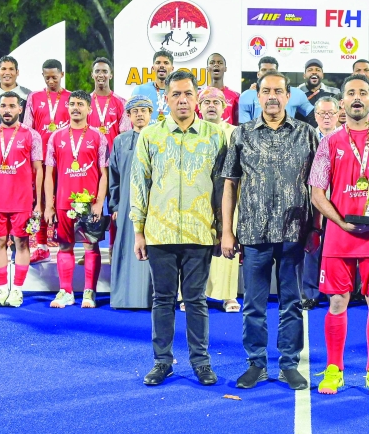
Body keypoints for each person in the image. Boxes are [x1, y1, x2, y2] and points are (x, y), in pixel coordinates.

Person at [221, 71, 320, 391]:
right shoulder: (242, 134)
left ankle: (289, 363)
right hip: (252, 231)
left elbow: (318, 184)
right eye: (266, 91)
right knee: (253, 303)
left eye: (279, 90)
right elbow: (229, 185)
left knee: (292, 302)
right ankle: (256, 363)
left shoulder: (307, 134)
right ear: (257, 96)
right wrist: (227, 231)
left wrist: (316, 226)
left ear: (288, 96)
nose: (273, 96)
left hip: (295, 232)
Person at [308, 74, 369, 396]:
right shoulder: (329, 141)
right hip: (340, 233)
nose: (357, 97)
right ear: (342, 103)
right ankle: (334, 368)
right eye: (351, 93)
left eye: (363, 92)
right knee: (337, 302)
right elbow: (317, 192)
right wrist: (339, 222)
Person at [132, 70, 226, 388]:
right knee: (162, 298)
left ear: (196, 97)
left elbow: (222, 187)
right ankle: (162, 362)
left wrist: (222, 228)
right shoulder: (150, 136)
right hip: (159, 231)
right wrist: (138, 230)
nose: (183, 99)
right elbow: (139, 185)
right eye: (176, 94)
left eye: (188, 93)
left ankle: (201, 362)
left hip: (200, 231)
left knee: (197, 300)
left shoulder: (215, 136)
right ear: (167, 98)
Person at [42, 90, 109, 309]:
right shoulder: (56, 137)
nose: (75, 108)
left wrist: (99, 202)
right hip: (63, 202)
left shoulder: (98, 137)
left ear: (89, 109)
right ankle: (66, 291)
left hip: (88, 204)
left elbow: (104, 174)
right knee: (64, 246)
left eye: (80, 104)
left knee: (91, 246)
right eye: (72, 104)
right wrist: (49, 205)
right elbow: (49, 174)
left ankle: (89, 292)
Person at [0, 92, 43, 308]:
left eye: (12, 106)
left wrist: (39, 202)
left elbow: (38, 170)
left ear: (20, 109)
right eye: (3, 106)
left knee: (21, 243)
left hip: (22, 200)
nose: (7, 110)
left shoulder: (31, 135)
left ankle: (17, 289)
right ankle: (1, 288)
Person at [108, 95, 155, 309]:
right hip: (127, 203)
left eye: (143, 110)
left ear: (150, 114)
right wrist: (115, 205)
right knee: (126, 245)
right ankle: (123, 298)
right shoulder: (120, 141)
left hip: (154, 203)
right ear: (128, 115)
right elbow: (114, 175)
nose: (139, 114)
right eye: (135, 111)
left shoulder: (157, 138)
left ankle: (152, 298)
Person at [23, 59, 71, 263]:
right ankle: (40, 244)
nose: (51, 80)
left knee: (63, 200)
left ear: (62, 74)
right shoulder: (34, 97)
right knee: (40, 200)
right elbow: (27, 128)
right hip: (40, 158)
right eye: (47, 77)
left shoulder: (71, 98)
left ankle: (65, 243)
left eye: (54, 76)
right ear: (43, 76)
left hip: (65, 158)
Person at [199, 87, 241, 312]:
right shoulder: (192, 130)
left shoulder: (235, 133)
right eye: (206, 102)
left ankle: (228, 295)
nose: (212, 106)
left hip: (227, 198)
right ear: (199, 107)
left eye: (216, 102)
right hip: (198, 198)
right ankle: (191, 294)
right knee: (195, 247)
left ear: (225, 107)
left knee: (227, 240)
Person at [301, 97, 341, 310]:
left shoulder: (346, 137)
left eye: (331, 113)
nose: (326, 117)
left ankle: (337, 289)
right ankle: (311, 293)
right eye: (322, 113)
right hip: (311, 198)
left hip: (339, 199)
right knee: (312, 246)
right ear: (315, 115)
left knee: (337, 248)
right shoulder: (305, 136)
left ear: (338, 115)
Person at [239, 56, 315, 122]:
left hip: (289, 137)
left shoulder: (295, 93)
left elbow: (313, 115)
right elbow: (244, 126)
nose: (267, 73)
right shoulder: (247, 96)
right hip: (256, 137)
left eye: (272, 70)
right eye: (264, 70)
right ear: (258, 74)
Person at [88, 57, 132, 150]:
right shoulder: (85, 102)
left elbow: (125, 135)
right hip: (90, 158)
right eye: (97, 71)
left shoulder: (122, 103)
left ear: (110, 75)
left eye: (104, 71)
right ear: (92, 75)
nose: (101, 75)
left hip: (112, 159)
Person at [131, 50, 174, 122]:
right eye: (158, 63)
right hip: (146, 133)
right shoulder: (140, 90)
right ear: (153, 68)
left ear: (172, 69)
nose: (162, 65)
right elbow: (132, 117)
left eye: (166, 63)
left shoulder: (177, 92)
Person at [206, 52, 239, 124]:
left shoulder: (236, 96)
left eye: (220, 63)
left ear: (225, 68)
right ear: (207, 68)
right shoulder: (199, 96)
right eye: (212, 62)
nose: (216, 65)